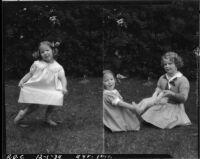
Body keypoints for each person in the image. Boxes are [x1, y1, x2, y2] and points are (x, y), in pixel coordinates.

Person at [14, 41, 68, 126]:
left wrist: (64, 87)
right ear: (39, 54)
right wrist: (22, 80)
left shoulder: (58, 67)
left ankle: (47, 118)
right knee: (35, 105)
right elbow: (30, 74)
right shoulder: (37, 64)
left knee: (54, 99)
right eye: (42, 52)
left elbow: (62, 78)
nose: (45, 53)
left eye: (47, 50)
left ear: (53, 51)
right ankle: (21, 115)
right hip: (38, 87)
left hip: (51, 88)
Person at [139, 52, 191, 129]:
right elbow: (159, 88)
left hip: (174, 105)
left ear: (177, 64)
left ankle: (171, 120)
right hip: (162, 102)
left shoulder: (183, 80)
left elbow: (183, 98)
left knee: (165, 120)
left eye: (170, 64)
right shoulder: (162, 77)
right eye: (165, 64)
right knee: (148, 107)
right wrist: (156, 94)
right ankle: (137, 110)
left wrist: (172, 94)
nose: (167, 66)